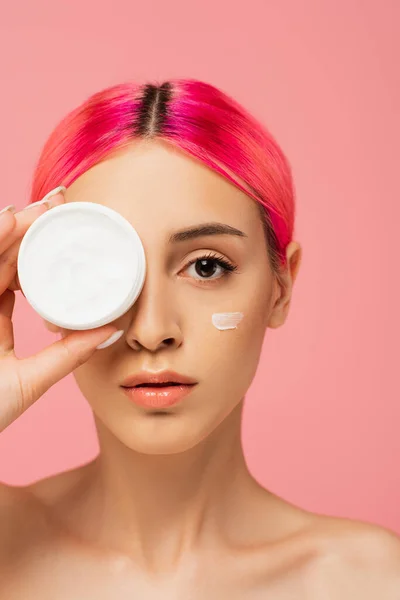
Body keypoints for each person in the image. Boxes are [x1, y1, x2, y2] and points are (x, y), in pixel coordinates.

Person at [0, 79, 399, 598]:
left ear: (282, 286)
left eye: (206, 267)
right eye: (99, 271)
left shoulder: (371, 581)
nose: (151, 331)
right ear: (41, 286)